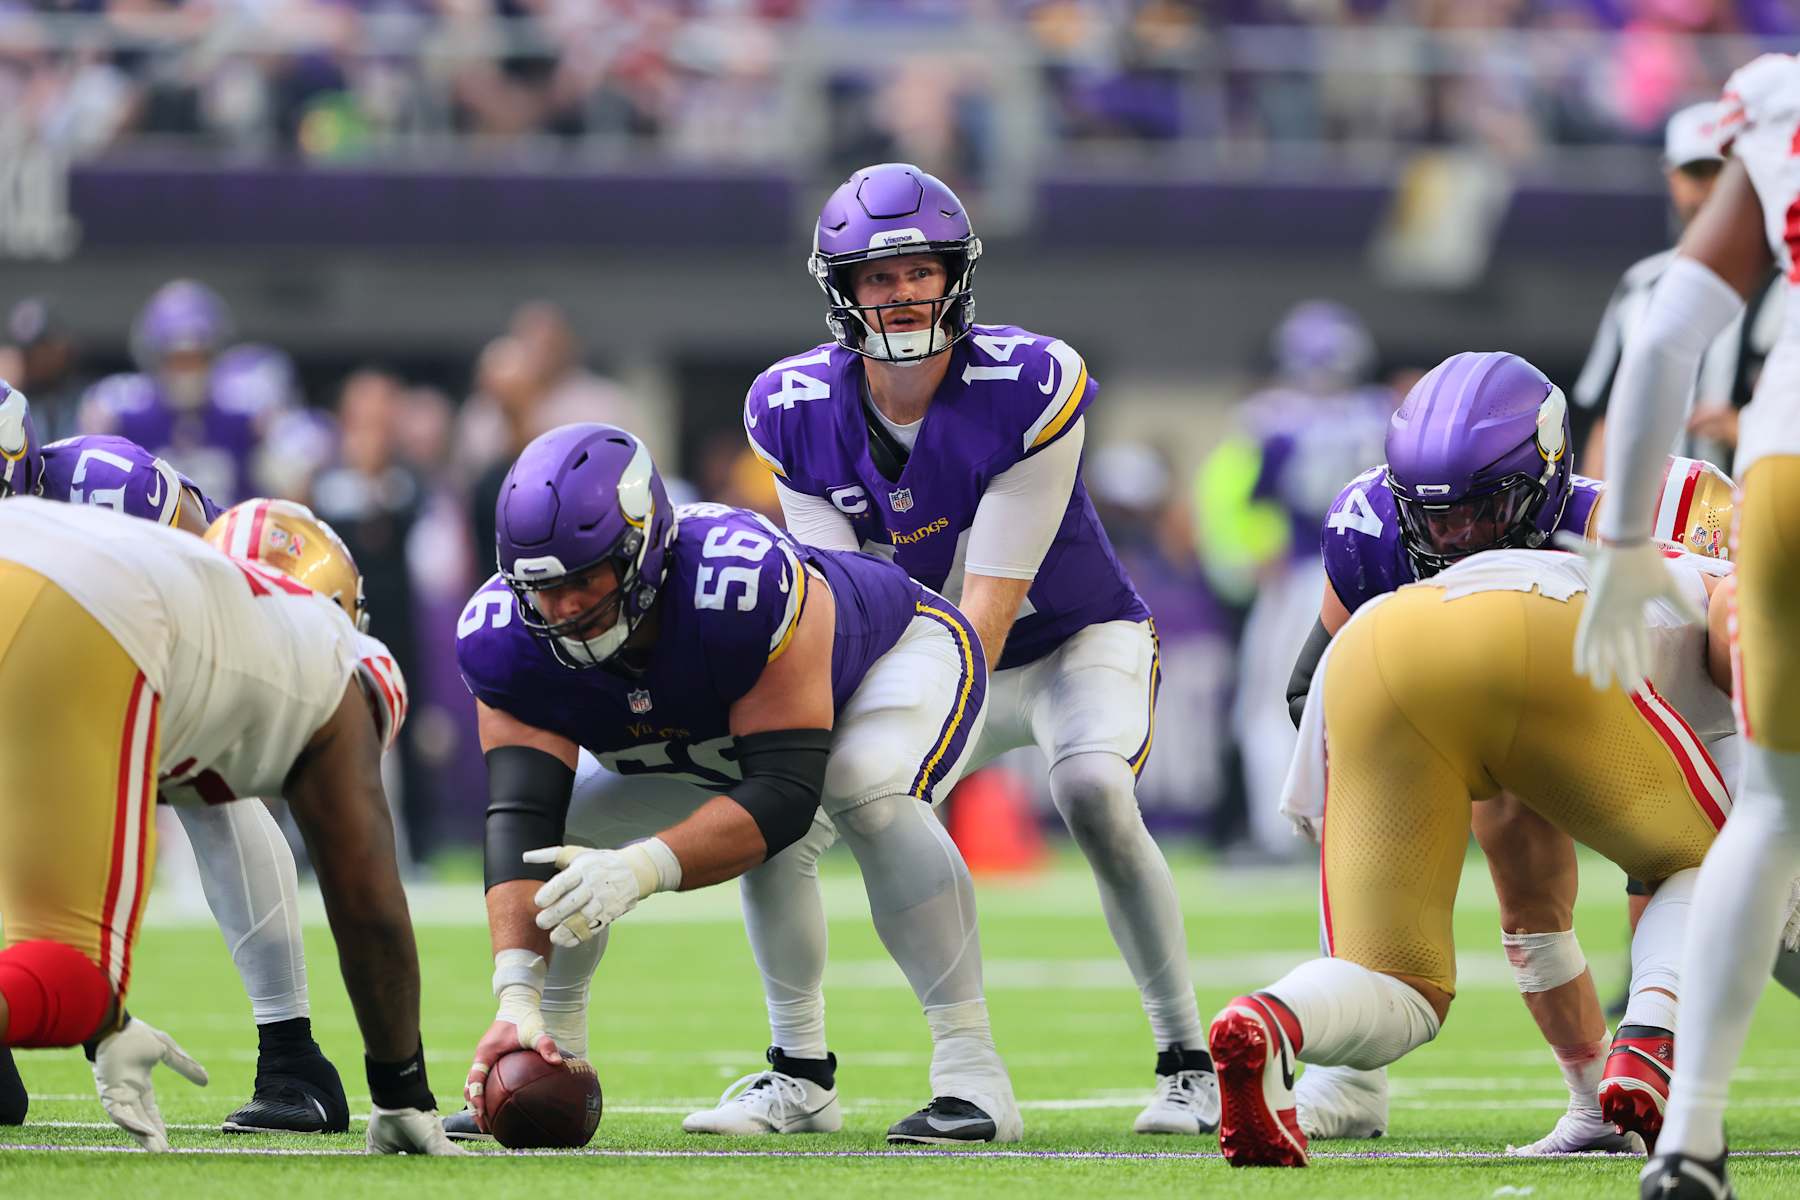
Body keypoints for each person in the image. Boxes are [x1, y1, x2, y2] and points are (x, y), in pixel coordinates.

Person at [744, 162, 1214, 1136]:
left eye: (921, 269)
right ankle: (801, 1073)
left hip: (1068, 640)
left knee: (1091, 791)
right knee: (783, 808)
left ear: (957, 273)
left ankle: (1188, 1062)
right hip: (923, 646)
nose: (904, 290)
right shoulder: (792, 407)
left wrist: (901, 773)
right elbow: (833, 609)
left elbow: (988, 612)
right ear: (841, 289)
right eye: (879, 277)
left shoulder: (1027, 383)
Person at [451, 423, 1020, 1145]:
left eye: (582, 580)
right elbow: (521, 817)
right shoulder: (506, 637)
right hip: (723, 737)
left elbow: (784, 793)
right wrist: (515, 993)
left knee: (862, 788)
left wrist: (640, 870)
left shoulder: (738, 583)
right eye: (543, 586)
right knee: (564, 842)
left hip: (897, 656)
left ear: (644, 552)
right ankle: (547, 1050)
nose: (561, 609)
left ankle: (974, 1075)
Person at [1286, 351, 1735, 1153]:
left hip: (1671, 707)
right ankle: (1601, 1092)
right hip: (1502, 707)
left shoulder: (1670, 509)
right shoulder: (1371, 525)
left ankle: (1649, 1039)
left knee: (1702, 873)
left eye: (1481, 512)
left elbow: (1747, 648)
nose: (1453, 537)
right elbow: (1307, 687)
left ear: (1547, 477)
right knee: (1527, 892)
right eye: (1434, 517)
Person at [1212, 544, 1745, 1169]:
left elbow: (1532, 911)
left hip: (1373, 644)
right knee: (1728, 861)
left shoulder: (1400, 522)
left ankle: (1272, 1020)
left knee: (1404, 987)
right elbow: (1740, 620)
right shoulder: (1721, 583)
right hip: (1539, 636)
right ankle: (1651, 1039)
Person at [0, 495, 457, 1155]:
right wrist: (401, 1089)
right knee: (68, 977)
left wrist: (107, 1025)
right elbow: (367, 896)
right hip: (84, 614)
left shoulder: (192, 598)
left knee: (65, 977)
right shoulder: (341, 657)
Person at [0, 384, 355, 1135]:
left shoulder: (109, 487)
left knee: (211, 791)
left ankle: (294, 1058)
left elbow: (225, 591)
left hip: (145, 666)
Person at [1569, 53, 1800, 1200]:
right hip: (1732, 501)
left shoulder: (1781, 101)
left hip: (1781, 475)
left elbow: (1667, 339)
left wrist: (1615, 548)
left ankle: (1691, 1139)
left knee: (1764, 806)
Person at [1196, 300, 1392, 860]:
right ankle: (1371, 828)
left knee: (1269, 707)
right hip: (1377, 580)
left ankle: (1280, 835)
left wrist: (1247, 557)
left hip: (1304, 575)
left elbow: (1239, 497)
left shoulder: (1271, 419)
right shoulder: (1383, 414)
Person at [1574, 101, 1783, 478]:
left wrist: (1742, 429)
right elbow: (1608, 420)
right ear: (1672, 177)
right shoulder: (1640, 285)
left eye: (1722, 171)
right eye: (1696, 172)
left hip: (1750, 517)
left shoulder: (1785, 285)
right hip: (1654, 524)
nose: (1710, 189)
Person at [78, 281, 291, 506]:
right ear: (155, 357)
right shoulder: (123, 415)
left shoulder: (245, 415)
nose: (188, 370)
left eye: (198, 358)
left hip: (226, 537)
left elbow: (287, 494)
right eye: (178, 360)